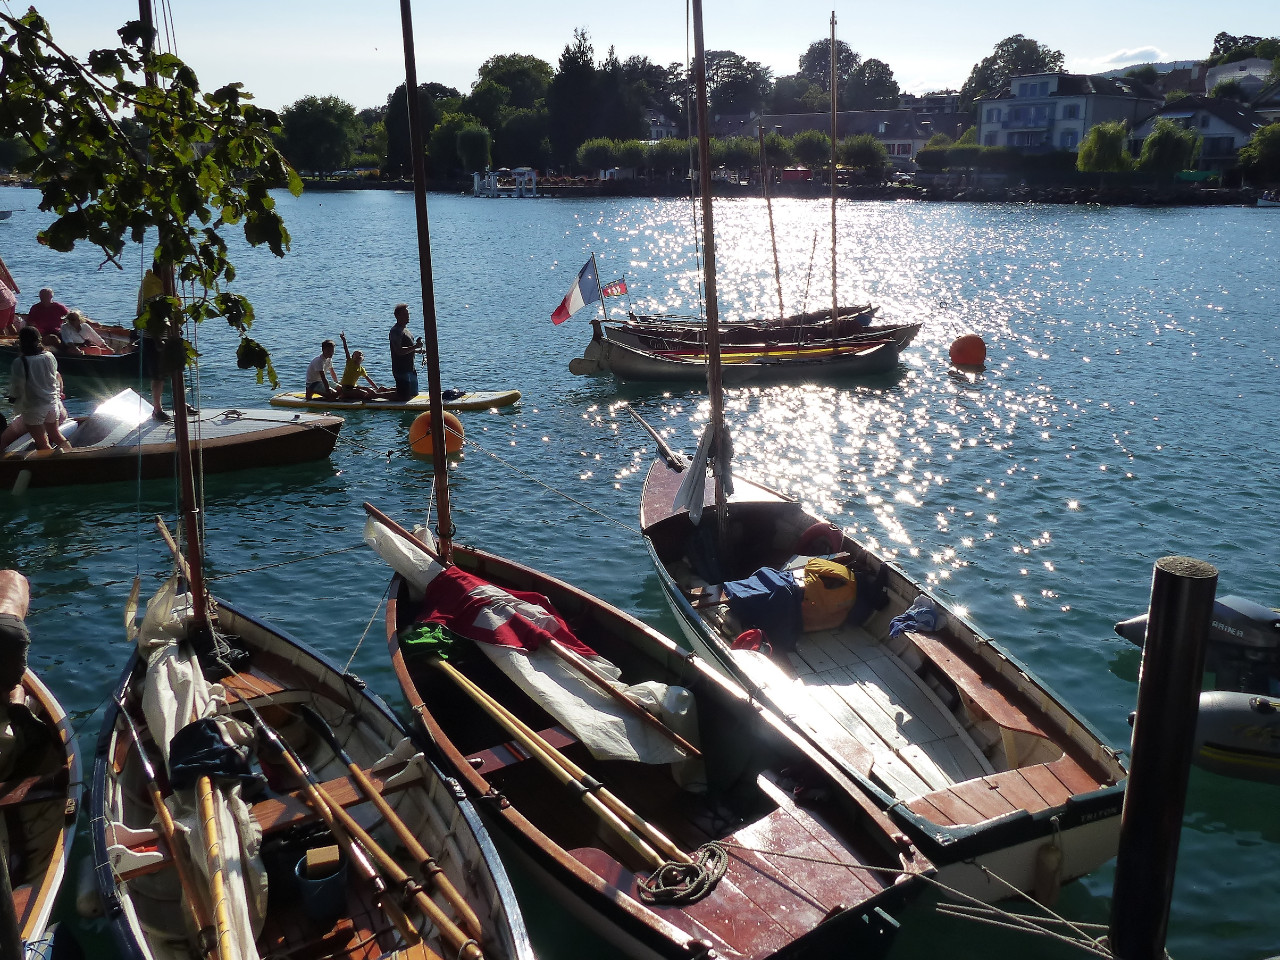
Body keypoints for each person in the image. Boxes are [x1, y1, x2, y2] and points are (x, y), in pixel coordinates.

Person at [4, 326, 71, 453]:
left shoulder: (20, 361)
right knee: (56, 435)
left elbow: (16, 387)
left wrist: (11, 396)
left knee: (43, 443)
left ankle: (54, 467)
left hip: (34, 408)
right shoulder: (49, 356)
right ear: (39, 339)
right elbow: (55, 376)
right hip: (52, 405)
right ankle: (73, 456)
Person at [337, 332, 395, 401]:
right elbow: (346, 350)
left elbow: (369, 380)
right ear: (352, 357)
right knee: (364, 393)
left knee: (368, 389)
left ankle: (376, 394)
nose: (358, 356)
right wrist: (344, 340)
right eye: (356, 355)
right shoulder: (350, 363)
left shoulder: (362, 369)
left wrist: (377, 389)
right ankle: (344, 395)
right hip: (345, 388)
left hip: (353, 387)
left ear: (363, 359)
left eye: (360, 355)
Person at [389, 303, 421, 401]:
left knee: (413, 394)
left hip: (411, 368)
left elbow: (408, 348)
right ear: (397, 316)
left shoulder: (406, 330)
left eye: (408, 314)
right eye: (404, 314)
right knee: (404, 397)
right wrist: (415, 346)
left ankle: (385, 390)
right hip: (401, 370)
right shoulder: (395, 331)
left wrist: (418, 350)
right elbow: (399, 351)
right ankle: (375, 395)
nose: (407, 316)